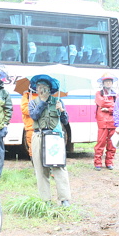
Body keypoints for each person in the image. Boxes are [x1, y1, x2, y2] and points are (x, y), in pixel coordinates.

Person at [29, 75, 72, 206]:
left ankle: (64, 199)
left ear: (50, 89)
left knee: (59, 168)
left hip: (54, 138)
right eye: (39, 87)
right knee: (41, 170)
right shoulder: (33, 102)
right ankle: (46, 200)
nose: (41, 90)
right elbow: (34, 116)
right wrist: (42, 102)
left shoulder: (58, 101)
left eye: (45, 87)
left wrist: (62, 111)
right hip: (39, 136)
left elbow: (65, 121)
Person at [93, 73, 118, 171]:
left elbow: (118, 107)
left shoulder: (115, 95)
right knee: (101, 143)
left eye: (110, 81)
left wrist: (108, 109)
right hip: (102, 122)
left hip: (113, 122)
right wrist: (112, 106)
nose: (108, 83)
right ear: (103, 83)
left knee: (112, 144)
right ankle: (97, 162)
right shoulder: (99, 93)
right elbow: (102, 102)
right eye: (106, 81)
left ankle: (109, 162)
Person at [21, 89, 38, 157]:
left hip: (43, 128)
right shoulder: (27, 96)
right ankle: (35, 165)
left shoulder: (45, 95)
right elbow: (24, 110)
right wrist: (38, 109)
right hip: (30, 127)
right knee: (32, 150)